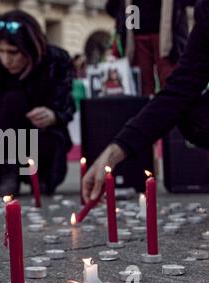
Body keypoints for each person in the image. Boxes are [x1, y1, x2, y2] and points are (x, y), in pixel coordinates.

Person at [83, 0, 209, 203]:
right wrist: (116, 149)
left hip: (166, 36)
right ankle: (151, 162)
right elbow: (179, 91)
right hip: (139, 34)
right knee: (193, 117)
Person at [0, 10, 75, 197]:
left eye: (13, 52)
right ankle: (8, 171)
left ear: (31, 48)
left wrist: (53, 114)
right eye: (0, 51)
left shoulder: (56, 62)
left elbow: (66, 104)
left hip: (43, 140)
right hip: (2, 143)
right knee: (11, 100)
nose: (6, 60)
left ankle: (39, 176)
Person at [106, 0, 196, 96]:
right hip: (137, 34)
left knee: (170, 82)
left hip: (166, 35)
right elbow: (111, 7)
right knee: (143, 87)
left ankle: (169, 109)